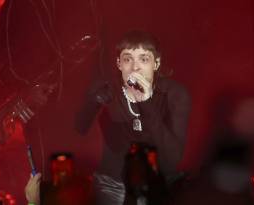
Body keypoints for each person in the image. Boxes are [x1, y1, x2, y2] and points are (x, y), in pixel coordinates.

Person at [75, 30, 191, 205]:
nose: (135, 67)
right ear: (119, 64)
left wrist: (145, 102)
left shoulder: (174, 95)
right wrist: (93, 102)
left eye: (144, 59)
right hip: (112, 185)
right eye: (128, 59)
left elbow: (173, 158)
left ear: (156, 63)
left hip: (157, 184)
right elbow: (80, 128)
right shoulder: (107, 90)